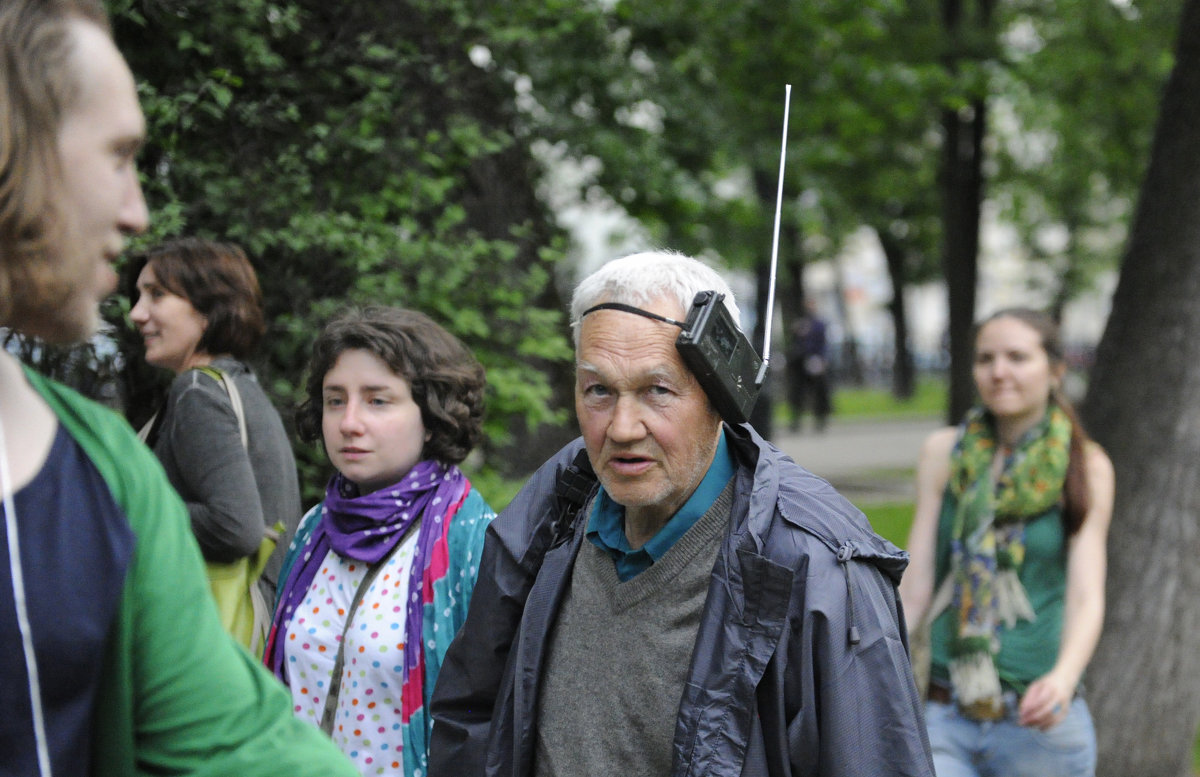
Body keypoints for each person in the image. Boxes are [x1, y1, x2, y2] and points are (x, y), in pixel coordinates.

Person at [0, 1, 357, 775]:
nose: (136, 210)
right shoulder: (233, 393)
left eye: (157, 294)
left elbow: (232, 526)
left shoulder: (171, 415)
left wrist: (150, 510)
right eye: (119, 156)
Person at [428, 251, 933, 777]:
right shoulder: (546, 520)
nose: (622, 427)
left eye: (658, 391)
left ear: (721, 397)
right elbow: (471, 725)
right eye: (599, 390)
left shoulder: (819, 570)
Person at [266, 306, 496, 777]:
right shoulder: (315, 529)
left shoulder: (474, 542)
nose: (349, 422)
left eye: (378, 401)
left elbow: (493, 722)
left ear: (431, 416)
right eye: (335, 400)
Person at [899, 308, 1114, 777]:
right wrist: (879, 665)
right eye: (986, 358)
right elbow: (917, 584)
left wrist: (1063, 679)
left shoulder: (1087, 466)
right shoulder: (943, 453)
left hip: (1041, 725)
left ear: (1056, 370)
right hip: (943, 714)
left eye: (1018, 357)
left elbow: (1085, 596)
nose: (999, 372)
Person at [129, 237, 301, 603]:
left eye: (156, 295)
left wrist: (129, 505)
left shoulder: (197, 391)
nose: (137, 313)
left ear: (209, 311)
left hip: (218, 627)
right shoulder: (240, 388)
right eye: (138, 296)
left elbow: (235, 527)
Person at [786, 299, 831, 433]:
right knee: (798, 392)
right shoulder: (800, 323)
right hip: (800, 362)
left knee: (818, 392)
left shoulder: (818, 324)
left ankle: (819, 419)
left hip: (814, 360)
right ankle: (796, 420)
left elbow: (822, 343)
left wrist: (822, 359)